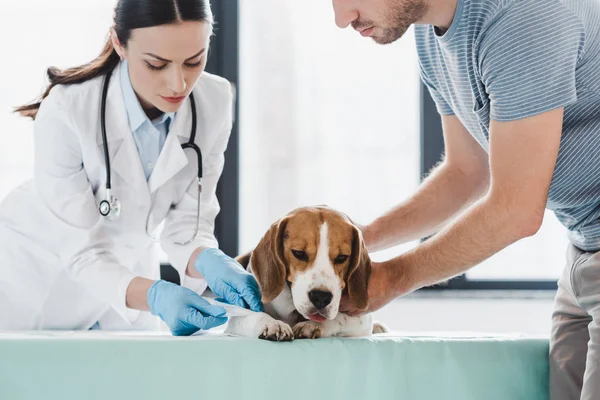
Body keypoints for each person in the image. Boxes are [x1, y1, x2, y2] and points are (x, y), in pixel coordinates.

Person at [332, 0, 600, 399]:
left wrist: (392, 278)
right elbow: (467, 171)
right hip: (584, 248)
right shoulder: (430, 31)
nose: (341, 19)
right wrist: (355, 242)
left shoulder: (523, 17)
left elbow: (516, 211)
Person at [0, 0, 262, 336]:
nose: (179, 84)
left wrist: (210, 261)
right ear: (119, 43)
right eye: (156, 64)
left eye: (194, 61)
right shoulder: (67, 109)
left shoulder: (214, 100)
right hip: (33, 281)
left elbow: (187, 225)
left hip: (124, 288)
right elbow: (82, 253)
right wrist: (156, 295)